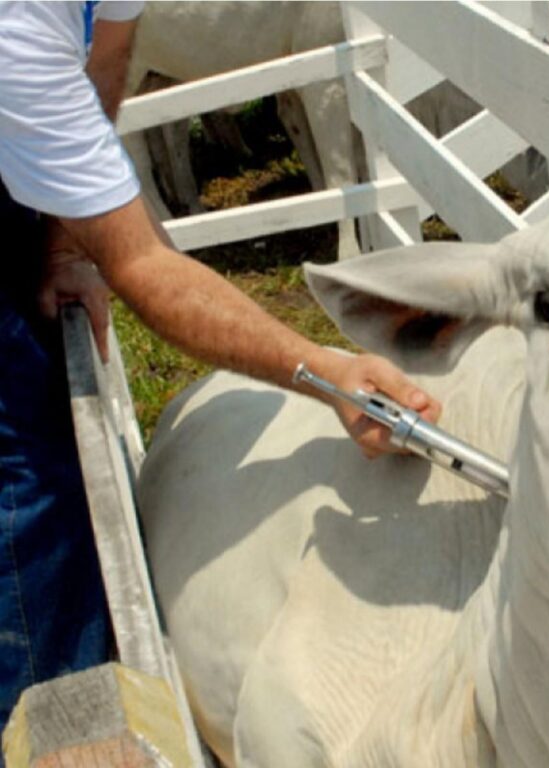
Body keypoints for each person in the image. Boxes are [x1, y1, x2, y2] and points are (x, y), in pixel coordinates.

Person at [0, 1, 441, 730]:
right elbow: (144, 265)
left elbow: (108, 58)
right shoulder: (17, 34)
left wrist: (60, 238)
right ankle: (42, 715)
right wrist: (321, 369)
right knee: (29, 490)